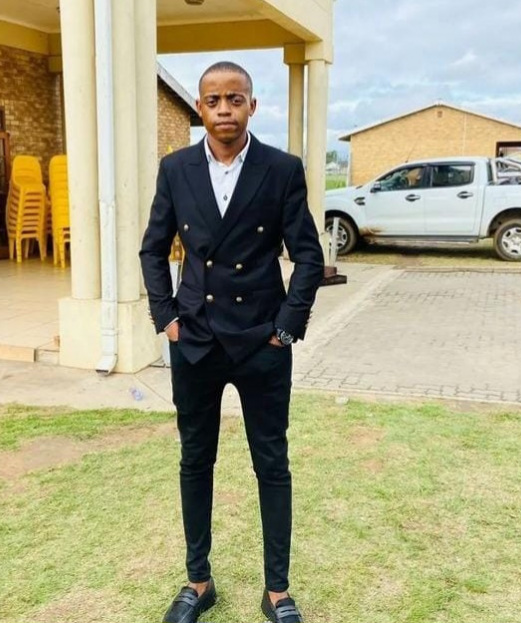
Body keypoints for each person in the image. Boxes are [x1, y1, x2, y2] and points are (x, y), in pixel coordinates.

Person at [140, 61, 324, 623]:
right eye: (214, 100)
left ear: (251, 106)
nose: (224, 109)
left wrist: (286, 326)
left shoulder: (281, 169)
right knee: (196, 459)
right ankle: (198, 581)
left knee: (272, 461)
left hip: (261, 342)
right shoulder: (175, 169)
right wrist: (166, 317)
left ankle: (278, 591)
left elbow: (308, 256)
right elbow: (153, 249)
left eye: (235, 99)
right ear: (199, 108)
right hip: (195, 339)